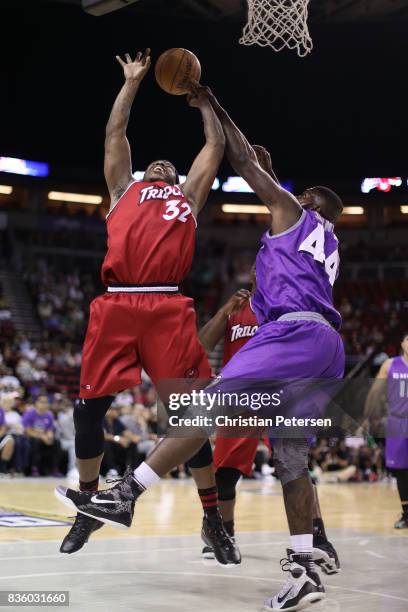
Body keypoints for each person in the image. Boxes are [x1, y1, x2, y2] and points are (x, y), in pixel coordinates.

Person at [56, 85, 345, 611]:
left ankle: (126, 494)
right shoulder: (328, 239)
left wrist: (210, 100)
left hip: (290, 331)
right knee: (291, 461)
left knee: (202, 405)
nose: (293, 195)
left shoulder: (287, 209)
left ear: (306, 205)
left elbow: (234, 154)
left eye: (299, 196)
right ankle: (305, 564)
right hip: (327, 345)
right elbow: (117, 139)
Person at [55, 50, 239, 565]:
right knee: (87, 412)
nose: (161, 164)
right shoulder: (122, 189)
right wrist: (133, 82)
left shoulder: (188, 198)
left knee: (187, 416)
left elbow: (215, 146)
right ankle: (89, 507)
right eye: (153, 162)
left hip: (166, 307)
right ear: (140, 173)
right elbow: (116, 135)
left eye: (168, 164)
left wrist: (204, 104)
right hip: (115, 305)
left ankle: (213, 521)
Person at [200, 275, 340, 575]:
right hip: (242, 396)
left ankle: (318, 538)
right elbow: (201, 345)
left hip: (282, 392)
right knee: (224, 474)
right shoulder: (236, 307)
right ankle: (223, 531)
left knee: (295, 465)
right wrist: (224, 311)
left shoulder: (285, 305)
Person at [365, 333, 408, 529]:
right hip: (397, 423)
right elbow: (375, 392)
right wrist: (369, 416)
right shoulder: (390, 364)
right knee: (400, 471)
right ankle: (406, 514)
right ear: (402, 343)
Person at [23, 394, 61, 476]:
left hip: (43, 437)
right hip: (31, 437)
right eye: (41, 402)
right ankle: (34, 469)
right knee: (36, 442)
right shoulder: (29, 414)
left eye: (46, 402)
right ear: (36, 403)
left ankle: (54, 469)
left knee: (56, 442)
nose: (44, 404)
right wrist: (42, 436)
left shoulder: (49, 415)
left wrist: (50, 437)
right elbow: (28, 431)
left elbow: (50, 430)